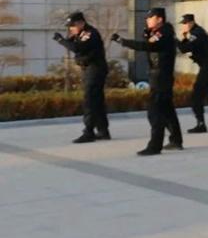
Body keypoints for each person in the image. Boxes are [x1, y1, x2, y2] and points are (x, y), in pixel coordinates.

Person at [112, 8, 183, 155]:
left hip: (161, 77)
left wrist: (123, 41)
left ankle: (155, 146)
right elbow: (150, 45)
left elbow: (147, 46)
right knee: (167, 110)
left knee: (155, 112)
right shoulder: (160, 32)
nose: (147, 20)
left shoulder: (164, 33)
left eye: (150, 18)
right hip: (159, 75)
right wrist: (147, 34)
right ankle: (176, 140)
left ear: (159, 19)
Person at [53, 11, 110, 144]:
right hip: (90, 69)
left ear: (81, 23)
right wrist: (67, 39)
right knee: (97, 101)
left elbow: (77, 48)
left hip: (95, 69)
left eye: (72, 26)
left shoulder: (89, 33)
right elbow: (73, 44)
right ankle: (103, 130)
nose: (71, 29)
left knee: (90, 100)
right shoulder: (80, 34)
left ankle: (88, 132)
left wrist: (61, 40)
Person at [177, 13, 208, 133]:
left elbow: (184, 48)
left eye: (185, 23)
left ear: (191, 22)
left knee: (197, 95)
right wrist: (185, 37)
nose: (184, 26)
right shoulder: (197, 32)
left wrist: (176, 40)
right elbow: (187, 47)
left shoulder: (197, 34)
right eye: (183, 24)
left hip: (207, 67)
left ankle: (201, 124)